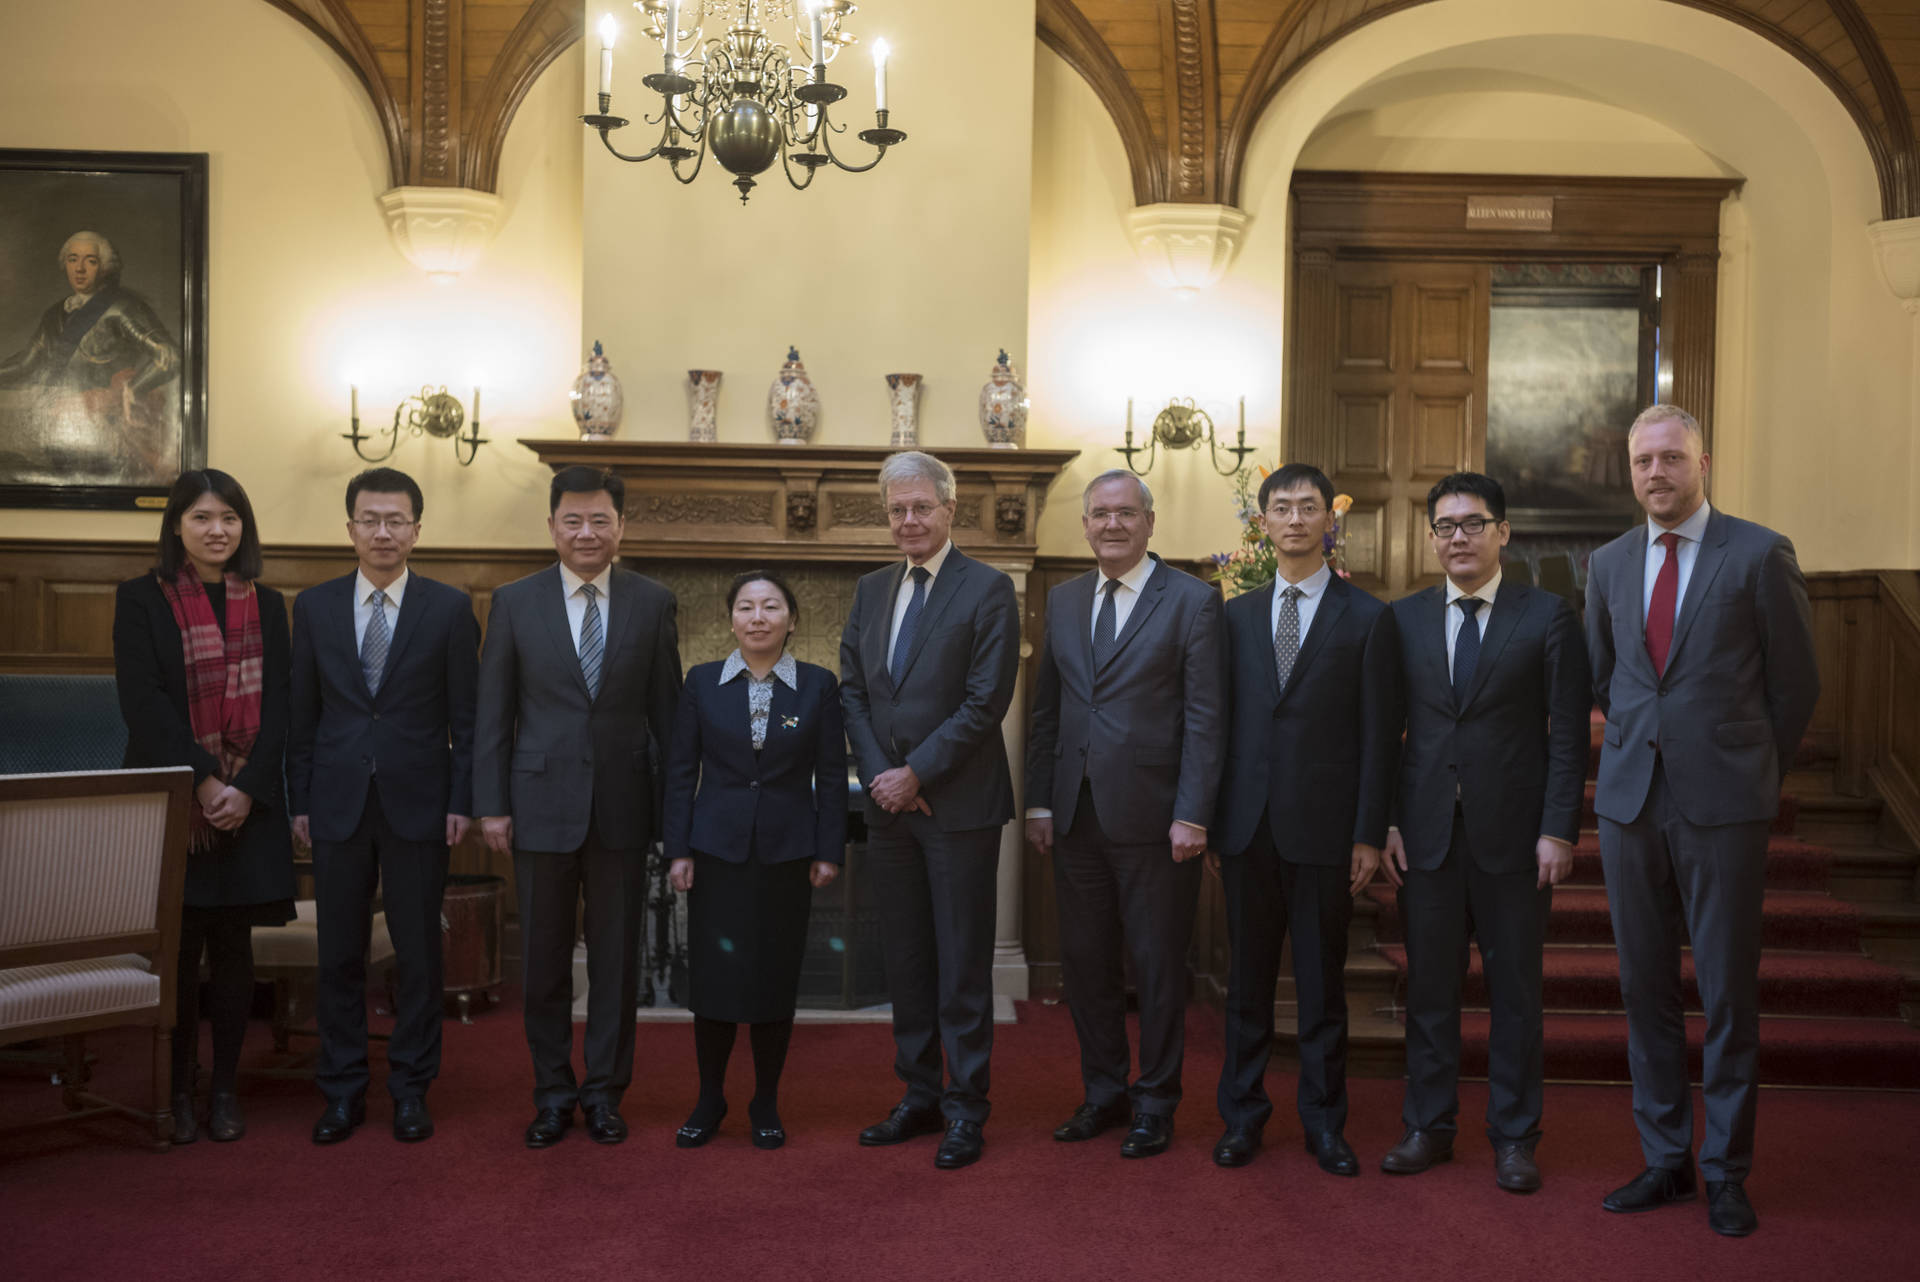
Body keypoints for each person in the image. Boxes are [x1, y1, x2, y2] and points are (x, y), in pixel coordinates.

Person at [1587, 405, 1818, 1237]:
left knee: (1725, 993)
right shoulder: (1609, 562)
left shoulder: (1759, 553)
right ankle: (1666, 1160)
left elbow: (1796, 686)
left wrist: (1750, 766)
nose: (1657, 472)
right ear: (1631, 468)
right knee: (1644, 988)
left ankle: (1725, 1170)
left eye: (1671, 458)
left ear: (1704, 463)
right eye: (1643, 460)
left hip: (1724, 806)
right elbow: (1606, 679)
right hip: (1629, 805)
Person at [1377, 472, 1590, 1192]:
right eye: (1445, 526)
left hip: (1515, 839)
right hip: (1428, 837)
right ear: (1431, 536)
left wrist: (1559, 829)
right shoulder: (1402, 620)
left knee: (1516, 997)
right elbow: (1384, 736)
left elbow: (1567, 738)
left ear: (1503, 532)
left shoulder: (1548, 616)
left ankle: (1514, 1137)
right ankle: (1427, 1127)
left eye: (1473, 524)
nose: (1458, 537)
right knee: (1431, 992)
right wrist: (1389, 822)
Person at [474, 465, 682, 1149]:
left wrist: (672, 818)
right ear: (553, 526)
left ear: (621, 527)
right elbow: (492, 715)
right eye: (573, 520)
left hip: (623, 806)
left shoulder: (653, 603)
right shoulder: (514, 602)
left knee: (618, 961)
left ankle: (604, 1094)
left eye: (600, 520)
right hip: (536, 805)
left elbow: (668, 720)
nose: (586, 533)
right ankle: (553, 1093)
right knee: (542, 961)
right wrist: (491, 806)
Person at [1025, 469, 1226, 1157]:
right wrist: (1041, 800)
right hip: (1076, 815)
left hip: (1157, 817)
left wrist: (1194, 813)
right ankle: (1104, 1092)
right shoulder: (1063, 599)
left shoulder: (1195, 602)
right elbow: (1046, 710)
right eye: (1100, 514)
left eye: (1125, 513)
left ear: (1149, 521)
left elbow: (1206, 718)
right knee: (1085, 964)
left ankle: (1156, 1102)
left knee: (1159, 964)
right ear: (1084, 525)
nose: (1112, 525)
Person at [1209, 463, 1399, 1177]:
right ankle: (1243, 1119)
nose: (1294, 518)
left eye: (1308, 507)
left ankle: (1325, 1123)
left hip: (1327, 833)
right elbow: (1218, 726)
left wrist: (1368, 832)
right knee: (1248, 987)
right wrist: (1210, 821)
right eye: (1281, 507)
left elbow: (1381, 737)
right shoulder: (1231, 616)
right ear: (1264, 522)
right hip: (1246, 829)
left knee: (1322, 992)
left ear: (1330, 521)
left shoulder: (1369, 618)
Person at [839, 450, 1021, 1170]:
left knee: (961, 963)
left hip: (959, 807)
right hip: (889, 808)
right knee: (906, 960)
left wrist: (917, 772)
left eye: (920, 507)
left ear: (950, 509)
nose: (907, 520)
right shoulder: (869, 588)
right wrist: (881, 775)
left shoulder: (988, 589)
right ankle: (918, 1095)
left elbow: (986, 703)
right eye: (896, 510)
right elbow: (852, 690)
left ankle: (965, 1107)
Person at [288, 467, 478, 1145]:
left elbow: (468, 720)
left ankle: (410, 1089)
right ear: (350, 529)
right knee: (337, 954)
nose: (383, 532)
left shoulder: (450, 609)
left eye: (397, 520)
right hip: (336, 802)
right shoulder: (311, 608)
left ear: (417, 531)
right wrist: (299, 799)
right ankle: (341, 1091)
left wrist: (463, 800)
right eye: (370, 519)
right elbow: (301, 717)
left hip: (421, 804)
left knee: (419, 955)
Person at [111, 468, 295, 1144]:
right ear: (177, 527)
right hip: (177, 802)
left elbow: (281, 707)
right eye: (202, 518)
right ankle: (179, 1088)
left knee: (234, 948)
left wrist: (244, 789)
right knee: (180, 948)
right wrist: (207, 778)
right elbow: (145, 705)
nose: (217, 530)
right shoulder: (140, 599)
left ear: (243, 528)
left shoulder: (268, 605)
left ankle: (224, 1089)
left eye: (230, 518)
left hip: (250, 805)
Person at [663, 571, 847, 1151]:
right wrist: (678, 849)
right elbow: (679, 773)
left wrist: (828, 848)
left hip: (788, 855)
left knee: (773, 979)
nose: (758, 617)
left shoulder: (818, 686)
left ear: (792, 619)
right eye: (746, 607)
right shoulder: (702, 683)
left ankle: (765, 1100)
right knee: (714, 981)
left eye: (772, 607)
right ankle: (709, 1097)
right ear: (732, 620)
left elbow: (833, 779)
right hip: (715, 852)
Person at [0, 231, 182, 483]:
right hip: (62, 424)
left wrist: (131, 389)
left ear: (105, 268)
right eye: (73, 259)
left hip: (110, 424)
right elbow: (27, 364)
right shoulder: (55, 314)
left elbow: (169, 356)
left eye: (91, 261)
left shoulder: (123, 307)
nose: (81, 269)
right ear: (65, 264)